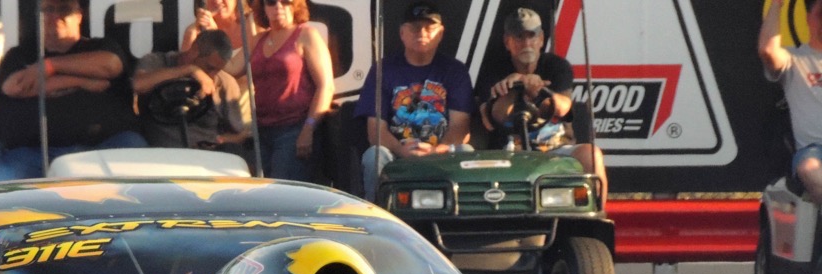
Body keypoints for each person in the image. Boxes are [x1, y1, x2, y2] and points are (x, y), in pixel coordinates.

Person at [0, 0, 145, 179]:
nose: (56, 16)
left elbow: (111, 65)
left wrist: (50, 66)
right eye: (48, 10)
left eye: (64, 9)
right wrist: (82, 81)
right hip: (33, 154)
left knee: (134, 150)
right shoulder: (19, 55)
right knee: (3, 173)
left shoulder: (101, 46)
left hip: (105, 147)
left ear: (79, 16)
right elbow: (15, 87)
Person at [476, 8, 607, 203]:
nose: (526, 44)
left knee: (592, 155)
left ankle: (596, 214)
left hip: (556, 148)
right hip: (507, 152)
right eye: (519, 37)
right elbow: (491, 119)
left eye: (532, 36)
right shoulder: (493, 69)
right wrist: (515, 87)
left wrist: (537, 90)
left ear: (541, 39)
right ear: (507, 42)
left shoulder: (557, 66)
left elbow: (564, 108)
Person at [352, 3, 473, 201]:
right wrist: (401, 150)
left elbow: (460, 128)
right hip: (396, 154)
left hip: (441, 153)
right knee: (375, 155)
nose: (422, 33)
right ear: (402, 33)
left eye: (429, 27)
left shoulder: (455, 71)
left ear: (440, 34)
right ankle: (377, 211)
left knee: (466, 152)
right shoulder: (383, 70)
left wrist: (436, 151)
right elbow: (375, 131)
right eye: (415, 27)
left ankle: (465, 215)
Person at [246, 0, 334, 181]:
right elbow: (229, 67)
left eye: (286, 1)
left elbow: (325, 86)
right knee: (257, 190)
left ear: (295, 5)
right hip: (260, 131)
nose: (278, 6)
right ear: (263, 8)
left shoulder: (307, 35)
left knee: (281, 190)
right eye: (271, 2)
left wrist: (308, 128)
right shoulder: (258, 40)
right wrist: (194, 69)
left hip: (294, 130)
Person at [133, 29, 248, 151]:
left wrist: (218, 140)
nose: (212, 75)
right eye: (209, 68)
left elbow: (239, 134)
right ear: (194, 50)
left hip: (206, 154)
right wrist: (189, 70)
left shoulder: (225, 83)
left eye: (217, 70)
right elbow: (138, 84)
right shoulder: (157, 62)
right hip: (159, 153)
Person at [760, 0, 822, 204]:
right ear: (808, 19)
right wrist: (777, 4)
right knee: (809, 168)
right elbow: (768, 51)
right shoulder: (794, 59)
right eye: (821, 15)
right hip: (815, 151)